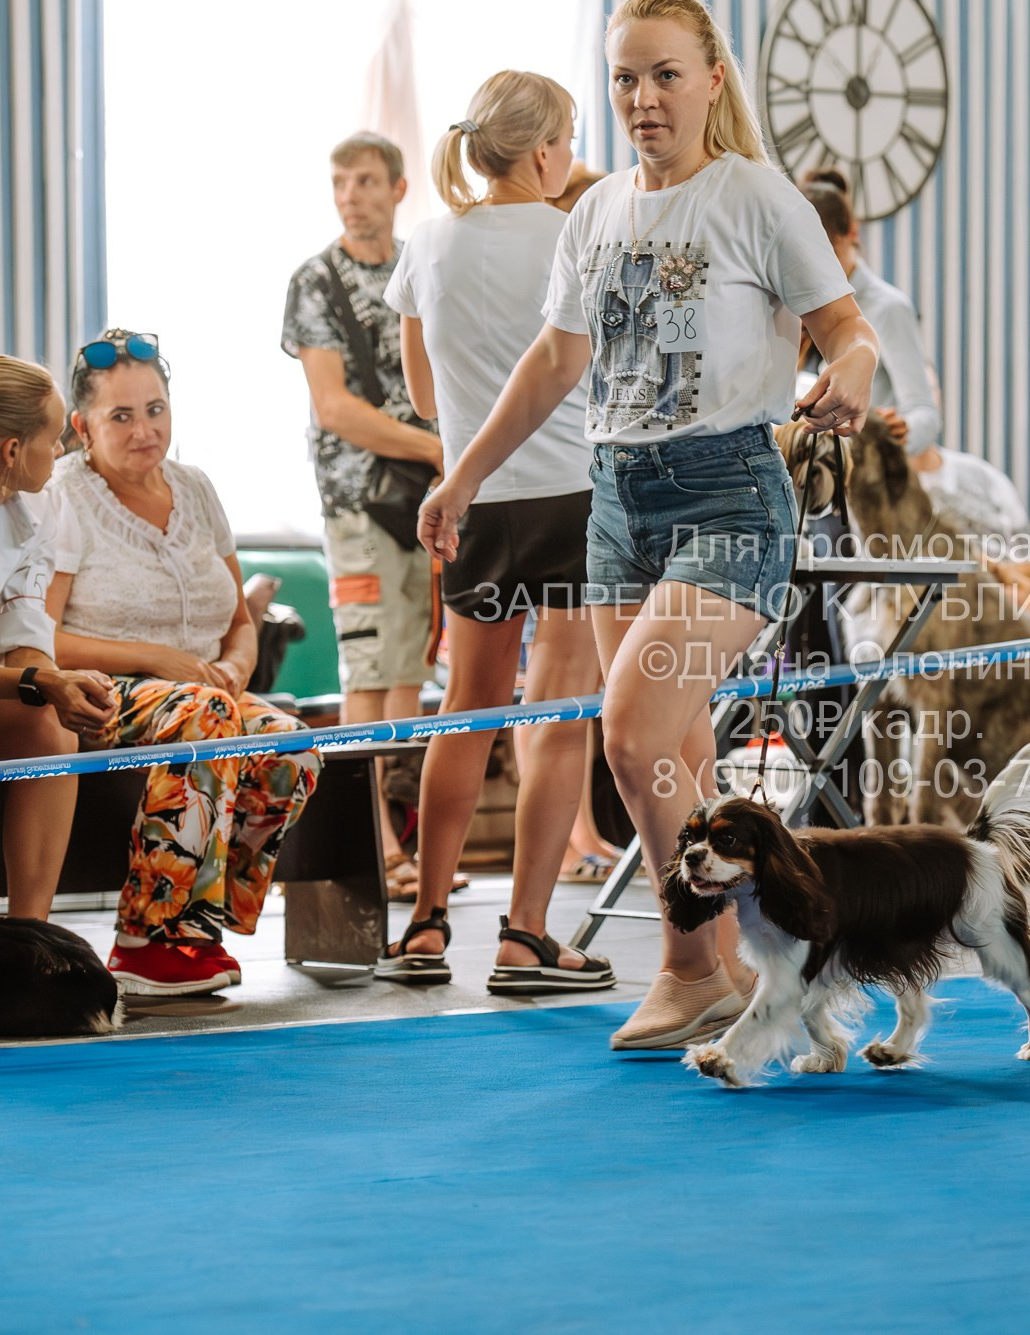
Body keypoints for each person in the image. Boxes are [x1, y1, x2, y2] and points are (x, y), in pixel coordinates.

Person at [418, 0, 879, 1049]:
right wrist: (462, 478)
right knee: (676, 750)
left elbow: (845, 330)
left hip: (728, 492)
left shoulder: (756, 197)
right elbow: (553, 364)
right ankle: (733, 964)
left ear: (712, 78)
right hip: (617, 499)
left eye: (664, 75)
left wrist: (847, 373)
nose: (642, 99)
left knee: (626, 734)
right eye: (625, 79)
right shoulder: (593, 212)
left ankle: (683, 960)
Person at [378, 70, 613, 993]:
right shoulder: (579, 234)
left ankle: (429, 923)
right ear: (549, 150)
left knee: (467, 710)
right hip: (574, 495)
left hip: (474, 500)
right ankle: (524, 935)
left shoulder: (427, 244)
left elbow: (425, 396)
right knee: (558, 715)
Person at [45, 331, 322, 996]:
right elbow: (41, 637)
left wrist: (236, 658)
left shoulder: (196, 488)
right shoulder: (64, 496)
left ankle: (199, 919)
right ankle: (143, 939)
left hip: (201, 694)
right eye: (122, 416)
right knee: (206, 715)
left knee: (295, 747)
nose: (146, 430)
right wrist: (159, 659)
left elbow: (236, 616)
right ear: (83, 426)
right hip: (98, 691)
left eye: (156, 409)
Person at [282, 133, 442, 891]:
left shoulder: (421, 265)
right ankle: (374, 847)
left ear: (399, 187)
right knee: (369, 669)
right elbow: (334, 406)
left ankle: (402, 841)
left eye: (367, 179)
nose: (351, 192)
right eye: (341, 179)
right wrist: (436, 450)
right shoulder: (316, 280)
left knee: (408, 667)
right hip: (357, 503)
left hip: (422, 501)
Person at [0, 357, 117, 917]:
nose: (62, 452)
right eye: (54, 439)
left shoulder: (35, 509)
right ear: (12, 450)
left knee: (51, 729)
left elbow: (25, 633)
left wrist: (61, 686)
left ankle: (29, 940)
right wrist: (40, 679)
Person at [796, 167, 942, 455]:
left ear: (852, 232)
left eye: (830, 256)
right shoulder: (793, 307)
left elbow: (925, 415)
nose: (819, 273)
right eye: (806, 260)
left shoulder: (887, 309)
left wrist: (891, 436)